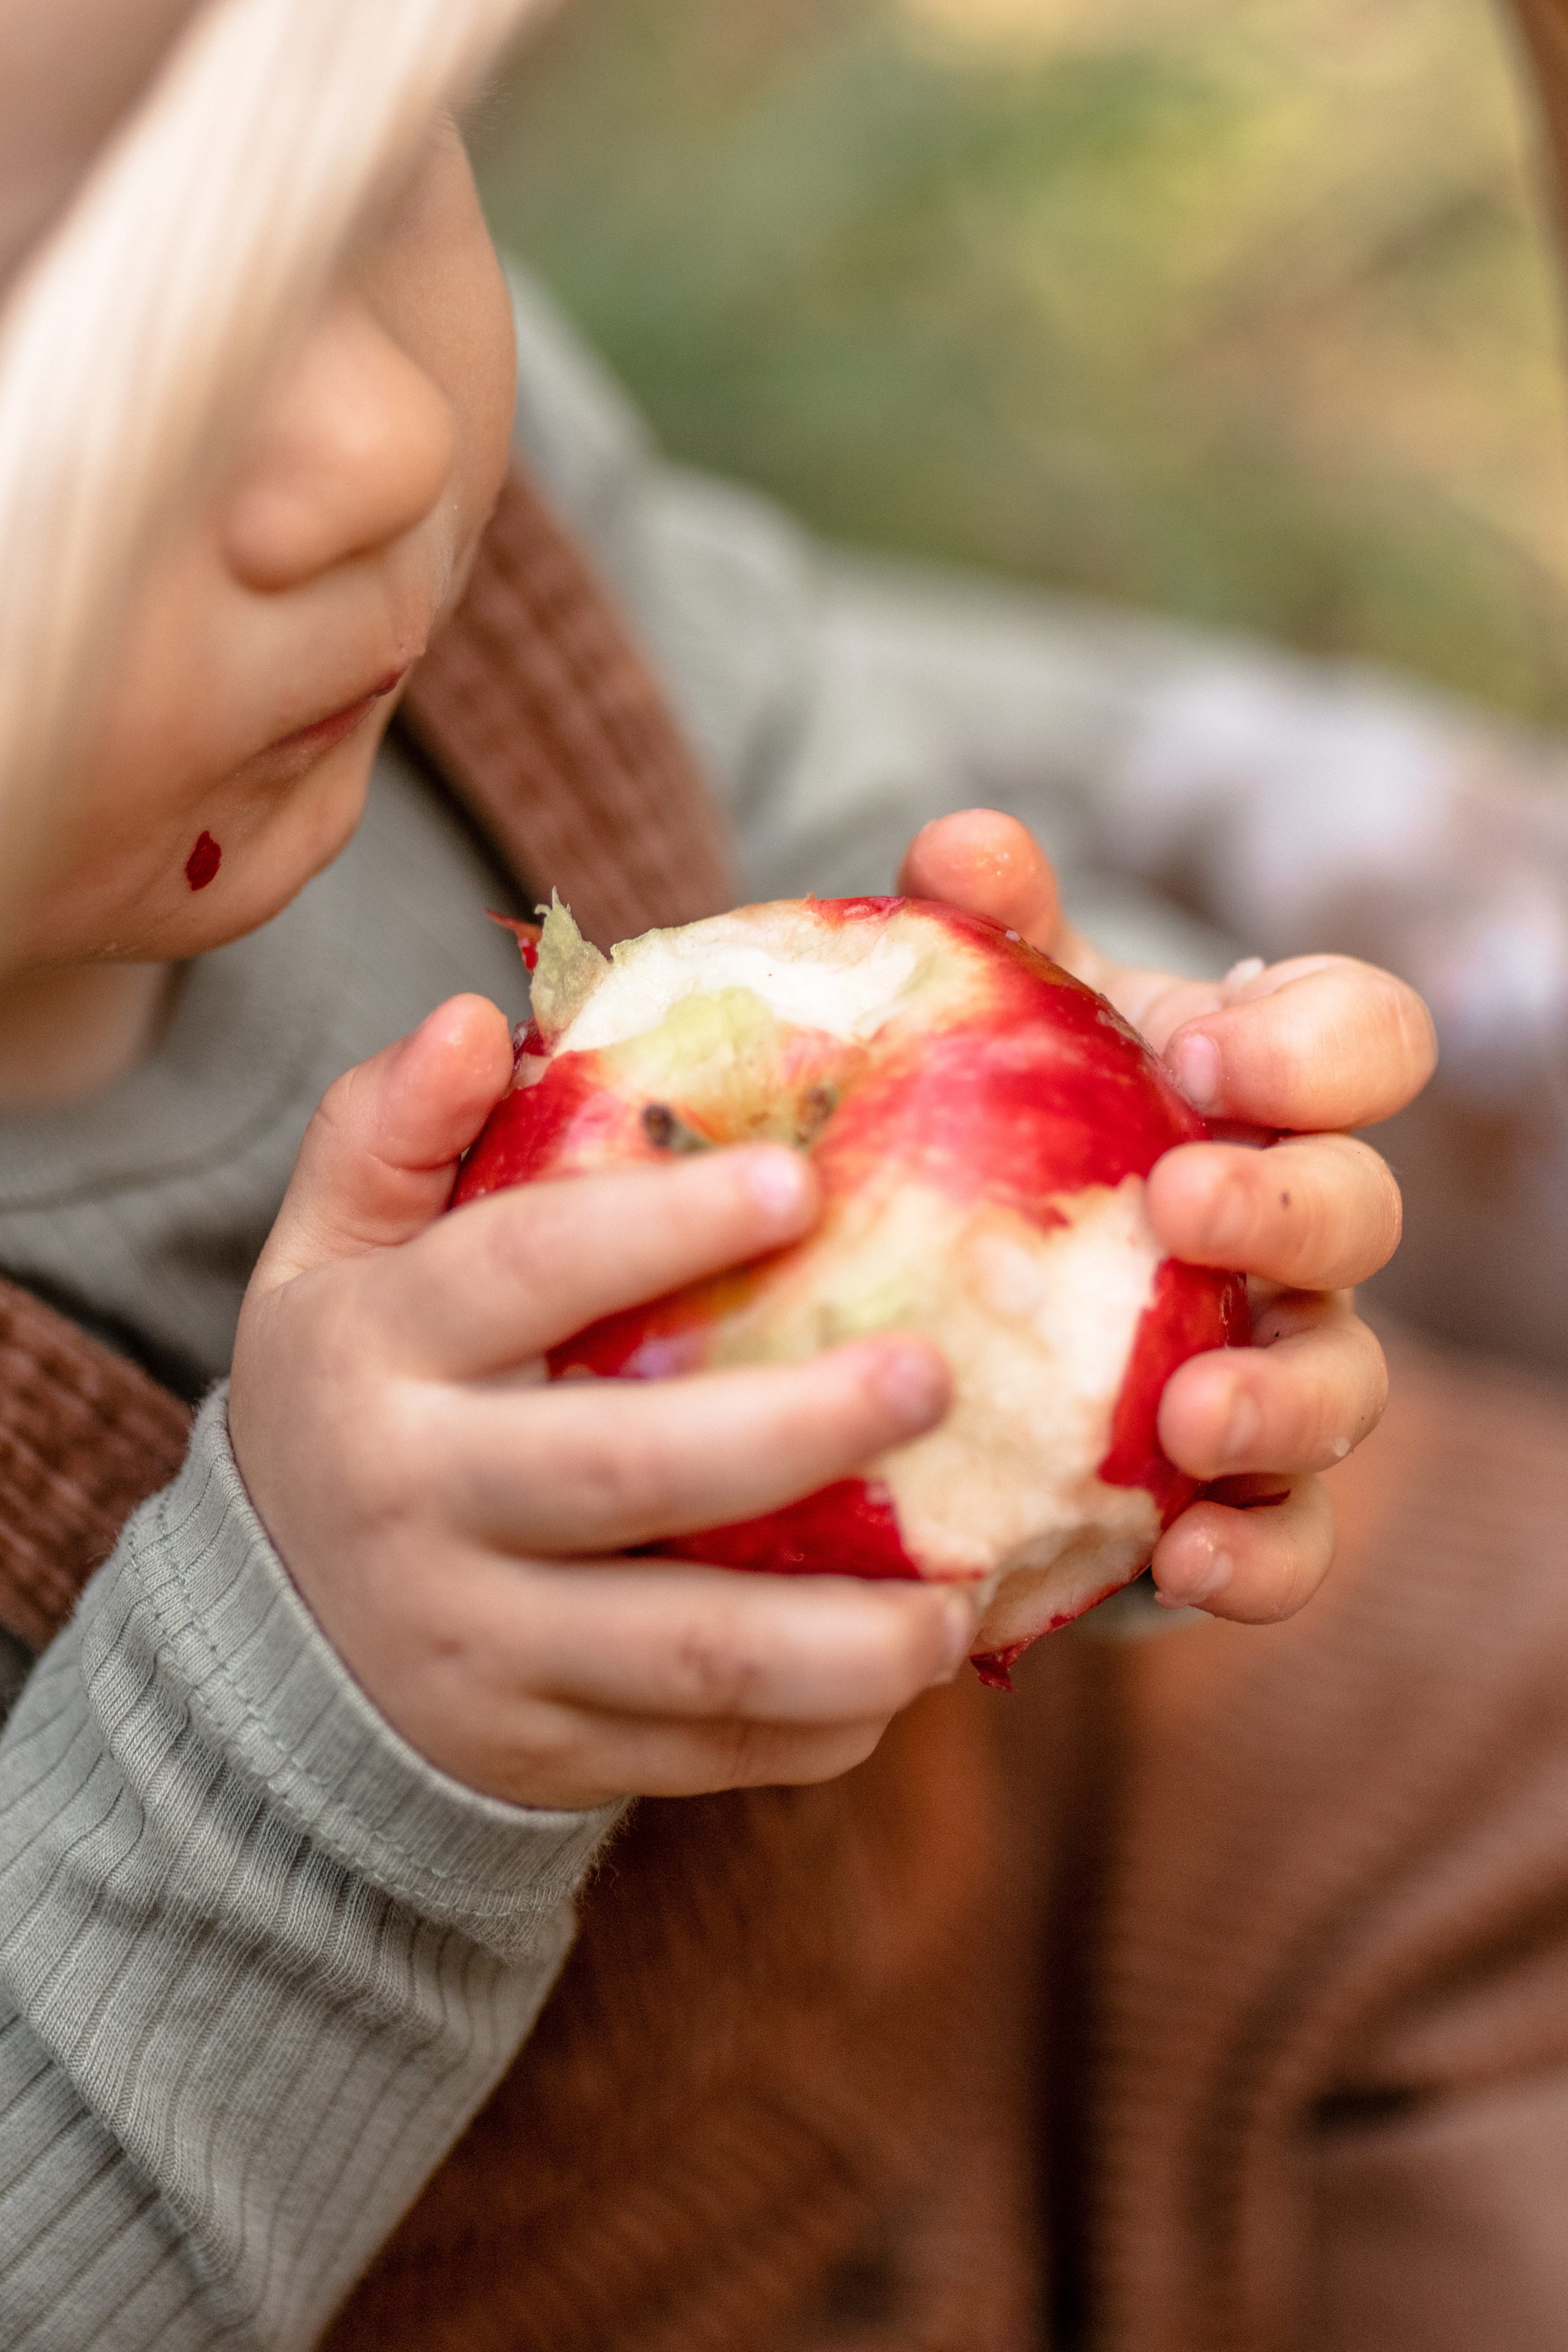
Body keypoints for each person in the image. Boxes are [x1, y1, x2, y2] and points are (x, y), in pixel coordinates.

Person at [0, 1, 1433, 2346]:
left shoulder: (488, 537)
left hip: (1048, 1900)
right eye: (94, 366)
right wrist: (333, 1725)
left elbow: (854, 877)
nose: (364, 445)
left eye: (374, 186)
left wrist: (1159, 1230)